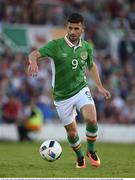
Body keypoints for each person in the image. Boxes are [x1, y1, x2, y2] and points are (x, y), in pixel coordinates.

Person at [28, 13, 111, 168]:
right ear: (67, 27)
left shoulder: (86, 47)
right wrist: (33, 61)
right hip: (61, 96)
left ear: (82, 28)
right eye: (70, 28)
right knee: (72, 133)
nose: (72, 31)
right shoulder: (55, 45)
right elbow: (34, 53)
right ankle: (79, 157)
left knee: (92, 119)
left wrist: (99, 86)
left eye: (76, 28)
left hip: (81, 89)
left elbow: (91, 65)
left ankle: (91, 151)